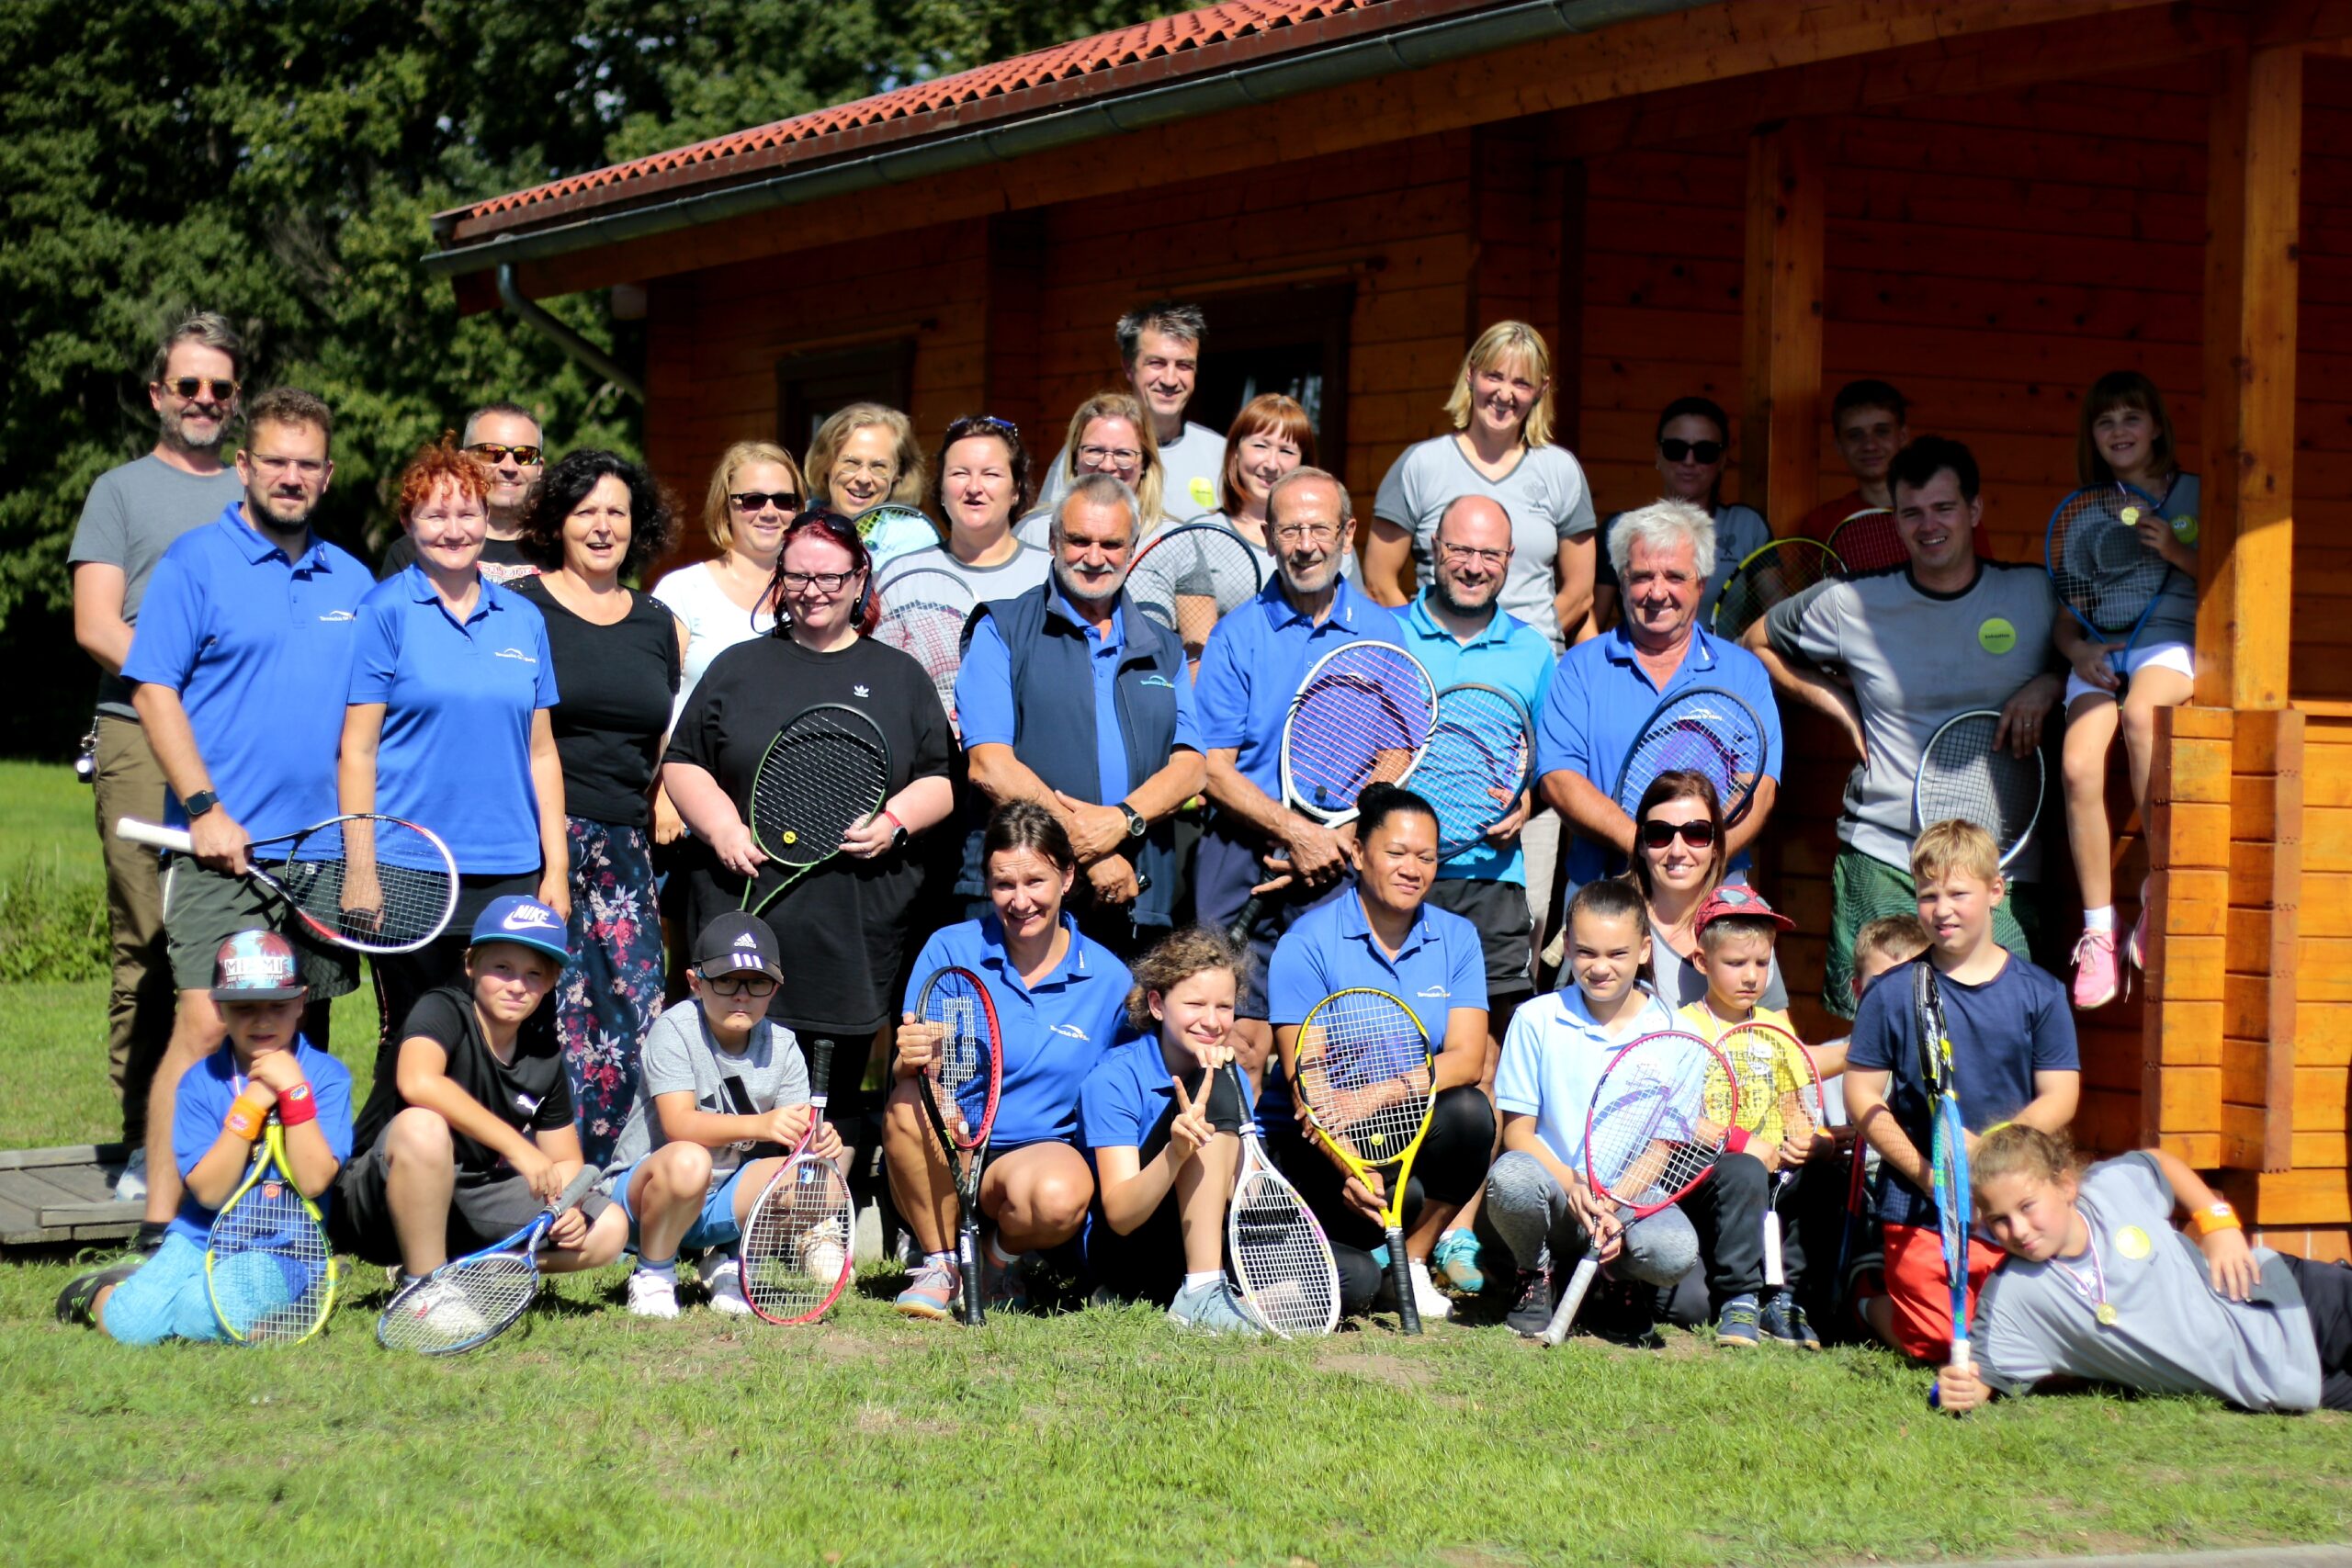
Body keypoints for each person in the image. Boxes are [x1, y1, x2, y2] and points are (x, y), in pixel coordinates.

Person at [119, 386, 367, 1248]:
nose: (291, 477)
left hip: (320, 857)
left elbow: (364, 724)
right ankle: (164, 1223)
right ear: (245, 465)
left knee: (301, 1043)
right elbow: (153, 691)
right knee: (200, 1027)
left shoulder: (352, 579)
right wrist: (204, 809)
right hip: (222, 850)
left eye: (307, 464)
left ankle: (281, 1217)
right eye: (276, 462)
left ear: (326, 474)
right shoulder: (195, 563)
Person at [1747, 436, 2064, 1016]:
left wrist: (2052, 684)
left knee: (2004, 1048)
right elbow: (1756, 641)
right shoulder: (1851, 603)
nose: (1928, 525)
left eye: (1943, 509)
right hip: (1884, 856)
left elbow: (2097, 660)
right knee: (1871, 1048)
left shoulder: (2033, 595)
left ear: (1974, 511)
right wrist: (1840, 704)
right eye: (1912, 513)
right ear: (1895, 521)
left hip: (2003, 871)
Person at [662, 507, 955, 1133]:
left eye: (829, 576)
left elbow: (939, 779)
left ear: (859, 579)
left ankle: (818, 1209)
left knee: (833, 1096)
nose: (812, 591)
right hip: (748, 911)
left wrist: (895, 819)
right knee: (736, 1080)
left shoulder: (899, 676)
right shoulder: (738, 667)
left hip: (851, 923)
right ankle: (729, 1205)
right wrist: (721, 827)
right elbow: (684, 761)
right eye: (796, 577)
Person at [69, 312, 247, 1204]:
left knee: (240, 944)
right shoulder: (121, 491)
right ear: (157, 395)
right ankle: (149, 1143)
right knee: (149, 941)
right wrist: (179, 680)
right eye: (188, 387)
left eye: (219, 388)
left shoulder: (258, 490)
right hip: (140, 730)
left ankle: (244, 1136)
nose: (204, 401)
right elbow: (97, 623)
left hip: (245, 738)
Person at [1365, 322, 1599, 974]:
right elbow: (1380, 574)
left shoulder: (1558, 472)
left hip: (1519, 714)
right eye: (1494, 374)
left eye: (1521, 381)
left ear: (1541, 391)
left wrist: (1509, 648)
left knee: (1515, 942)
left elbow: (1580, 587)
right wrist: (1426, 646)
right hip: (1429, 703)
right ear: (1470, 375)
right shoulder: (1422, 464)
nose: (1505, 391)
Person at [343, 436, 568, 1085]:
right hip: (411, 867)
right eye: (435, 515)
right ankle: (387, 1178)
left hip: (510, 870)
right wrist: (362, 867)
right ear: (410, 524)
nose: (454, 529)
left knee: (509, 1043)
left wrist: (555, 867)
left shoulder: (523, 619)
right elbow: (356, 749)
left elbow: (542, 752)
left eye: (467, 513)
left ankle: (494, 1180)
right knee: (416, 1043)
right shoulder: (384, 611)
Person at [1385, 494, 1555, 1292]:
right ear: (1433, 549)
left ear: (1510, 560)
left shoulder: (1531, 650)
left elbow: (1552, 763)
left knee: (1480, 1068)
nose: (1475, 565)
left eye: (1492, 555)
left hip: (1492, 886)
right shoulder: (1387, 633)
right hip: (1397, 876)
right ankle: (1377, 1221)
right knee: (1391, 1053)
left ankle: (1446, 1236)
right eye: (1461, 550)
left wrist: (1536, 799)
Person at [1843, 819, 2080, 1362]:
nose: (1942, 909)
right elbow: (1862, 1096)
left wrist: (1988, 1152)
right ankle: (1866, 1299)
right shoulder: (1890, 993)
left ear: (1996, 892)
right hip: (1920, 1200)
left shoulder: (2040, 993)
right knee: (1940, 1344)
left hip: (2012, 1200)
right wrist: (1930, 1176)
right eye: (1928, 895)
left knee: (2024, 1338)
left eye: (1958, 893)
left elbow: (2061, 1096)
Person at [1195, 468, 1408, 1073]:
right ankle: (1238, 1167)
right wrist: (1297, 832)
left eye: (1320, 527)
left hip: (1340, 860)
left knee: (1335, 1039)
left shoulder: (1382, 630)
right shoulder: (1236, 636)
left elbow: (1397, 751)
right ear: (1267, 536)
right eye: (1290, 529)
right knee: (1237, 1038)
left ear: (1348, 533)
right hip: (1241, 853)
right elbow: (1213, 768)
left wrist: (1337, 838)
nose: (1305, 544)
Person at [886, 805, 1134, 1318]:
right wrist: (917, 1070)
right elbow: (909, 1071)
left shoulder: (1110, 980)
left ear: (1067, 877)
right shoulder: (949, 948)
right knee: (907, 1100)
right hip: (951, 1144)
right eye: (1003, 885)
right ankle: (940, 1263)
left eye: (1035, 882)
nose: (1020, 901)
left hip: (1041, 1155)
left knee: (1059, 1194)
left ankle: (997, 1265)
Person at [1264, 785, 1494, 1323]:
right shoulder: (1307, 941)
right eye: (1396, 853)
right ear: (1361, 853)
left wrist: (1383, 1092)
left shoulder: (1458, 939)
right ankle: (1351, 1260)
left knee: (1469, 1113)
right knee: (1371, 1247)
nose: (1412, 868)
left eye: (1426, 857)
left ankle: (1410, 1262)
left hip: (1400, 1120)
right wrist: (1346, 1163)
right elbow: (1306, 1081)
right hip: (1317, 1142)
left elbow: (1467, 1058)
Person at [513, 451, 684, 1167]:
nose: (602, 526)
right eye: (585, 511)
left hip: (626, 843)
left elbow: (667, 725)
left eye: (616, 510)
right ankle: (530, 1166)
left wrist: (669, 787)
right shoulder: (520, 606)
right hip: (537, 834)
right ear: (557, 521)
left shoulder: (658, 622)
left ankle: (612, 1175)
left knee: (628, 1008)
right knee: (536, 1003)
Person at [55, 931, 354, 1343]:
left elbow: (314, 1181)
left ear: (302, 1001)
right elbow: (210, 1193)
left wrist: (294, 1093)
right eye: (244, 1008)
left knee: (198, 1313)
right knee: (131, 1325)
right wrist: (251, 1104)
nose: (263, 1020)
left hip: (284, 1247)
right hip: (200, 1236)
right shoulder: (200, 1081)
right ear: (218, 1007)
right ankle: (101, 1289)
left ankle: (305, 1292)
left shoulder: (326, 1077)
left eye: (278, 1006)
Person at [1935, 1125, 2352, 1416]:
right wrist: (1962, 1389)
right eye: (2000, 1220)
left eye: (2027, 1206)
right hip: (2285, 1379)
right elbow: (1983, 1374)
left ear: (2065, 1186)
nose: (2018, 1230)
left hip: (2290, 1295)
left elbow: (2157, 1161)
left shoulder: (2111, 1189)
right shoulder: (2014, 1296)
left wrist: (2218, 1220)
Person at [956, 474, 1203, 955]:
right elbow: (989, 765)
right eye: (1078, 540)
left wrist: (1123, 820)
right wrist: (1088, 845)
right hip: (1019, 895)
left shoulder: (1163, 646)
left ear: (1132, 547)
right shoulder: (1001, 628)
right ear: (1052, 541)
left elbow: (1190, 768)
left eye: (1111, 543)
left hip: (1135, 898)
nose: (1094, 557)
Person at [336, 897, 623, 1310]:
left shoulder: (543, 1055)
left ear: (552, 980)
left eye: (533, 974)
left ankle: (463, 1273)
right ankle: (423, 1295)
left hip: (466, 1196)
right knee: (423, 1125)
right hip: (377, 1196)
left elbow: (565, 1162)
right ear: (471, 964)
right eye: (501, 968)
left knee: (608, 1229)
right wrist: (516, 1145)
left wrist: (569, 1207)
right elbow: (417, 1081)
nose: (516, 985)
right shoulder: (442, 1009)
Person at [591, 912, 839, 1318]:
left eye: (756, 983)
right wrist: (760, 1125)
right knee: (691, 1160)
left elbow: (802, 1138)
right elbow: (679, 1124)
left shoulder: (784, 1045)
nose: (741, 995)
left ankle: (730, 1259)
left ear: (774, 989)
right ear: (695, 982)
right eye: (725, 980)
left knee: (820, 1180)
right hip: (646, 1196)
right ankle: (654, 1272)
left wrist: (818, 1141)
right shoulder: (674, 1029)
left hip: (719, 1198)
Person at [1536, 497, 1784, 898]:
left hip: (1717, 891)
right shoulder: (1580, 668)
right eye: (1641, 576)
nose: (1657, 592)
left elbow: (1759, 788)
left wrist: (1704, 857)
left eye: (1674, 576)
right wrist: (1646, 845)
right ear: (1620, 581)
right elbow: (1559, 781)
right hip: (1604, 893)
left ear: (1701, 584)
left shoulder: (1744, 672)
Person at [1484, 879, 1693, 1342]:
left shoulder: (1677, 1033)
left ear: (1643, 950)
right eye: (1586, 953)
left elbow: (1663, 1147)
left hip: (1629, 1201)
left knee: (1674, 1251)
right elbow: (1518, 1134)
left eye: (1617, 954)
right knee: (1511, 1177)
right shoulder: (1535, 1018)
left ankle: (1618, 1278)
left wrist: (1614, 1205)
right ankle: (1534, 1273)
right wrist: (1574, 1186)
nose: (1600, 968)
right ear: (1568, 945)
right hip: (1557, 1193)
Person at [2054, 372, 2200, 1010]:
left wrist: (2178, 549)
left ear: (2158, 426)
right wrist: (2080, 651)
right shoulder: (2087, 512)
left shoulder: (2198, 492)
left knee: (2144, 714)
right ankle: (2098, 931)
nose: (2119, 431)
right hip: (2102, 650)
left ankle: (2158, 892)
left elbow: (2233, 569)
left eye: (2131, 418)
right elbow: (2068, 614)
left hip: (2170, 642)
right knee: (2079, 763)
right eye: (2105, 421)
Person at [1079, 927, 1261, 1333]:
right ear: (1157, 1005)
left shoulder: (1233, 1074)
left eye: (1225, 1007)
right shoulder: (1112, 1078)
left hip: (1206, 1234)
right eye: (1195, 1004)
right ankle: (1200, 1292)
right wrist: (1176, 1152)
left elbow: (1243, 1192)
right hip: (1129, 1247)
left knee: (1357, 1277)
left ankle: (1217, 1290)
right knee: (1212, 1085)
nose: (1212, 1022)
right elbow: (1122, 1216)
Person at [1672, 886, 1820, 1348]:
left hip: (1770, 1170)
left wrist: (1812, 1143)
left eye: (1762, 963)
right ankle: (1741, 1297)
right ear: (1702, 962)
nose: (1752, 977)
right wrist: (1741, 1143)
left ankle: (1785, 1297)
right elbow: (1675, 1119)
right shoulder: (1683, 1026)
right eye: (1736, 964)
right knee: (1744, 1170)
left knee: (1812, 1179)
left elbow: (1795, 1106)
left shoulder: (1777, 1025)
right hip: (1710, 1169)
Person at [1592, 396, 1772, 633]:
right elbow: (1592, 623)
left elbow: (1776, 609)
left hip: (1725, 666)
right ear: (1658, 453)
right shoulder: (1621, 528)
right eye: (1675, 449)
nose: (1689, 461)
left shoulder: (1747, 525)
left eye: (1705, 452)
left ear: (1722, 460)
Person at [1035, 301, 1224, 522]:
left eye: (1184, 365)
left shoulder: (1221, 454)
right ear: (1128, 366)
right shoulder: (1089, 456)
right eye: (1156, 363)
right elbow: (1044, 534)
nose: (1170, 380)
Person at [1628, 772, 1788, 1014]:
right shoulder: (1614, 920)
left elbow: (1783, 1041)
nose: (1678, 851)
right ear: (1641, 844)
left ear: (1716, 846)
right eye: (1660, 834)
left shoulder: (1742, 922)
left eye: (1696, 833)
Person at [887, 413, 1052, 604]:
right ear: (941, 489)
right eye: (960, 473)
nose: (974, 488)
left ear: (1016, 490)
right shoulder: (900, 577)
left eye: (991, 474)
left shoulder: (1051, 576)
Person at [377, 402, 547, 584]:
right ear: (464, 461)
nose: (509, 467)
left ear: (539, 468)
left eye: (525, 456)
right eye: (491, 453)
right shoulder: (416, 551)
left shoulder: (561, 552)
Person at [1015, 390, 1169, 548]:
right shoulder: (1034, 534)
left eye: (1123, 453)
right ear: (1075, 458)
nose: (1107, 466)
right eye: (1094, 451)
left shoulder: (1168, 540)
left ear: (1145, 463)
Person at [802, 402, 936, 569]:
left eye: (879, 466)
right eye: (851, 462)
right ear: (825, 463)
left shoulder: (917, 541)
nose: (864, 478)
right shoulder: (794, 524)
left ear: (897, 473)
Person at [1197, 392, 1312, 571]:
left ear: (1303, 463)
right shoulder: (1200, 536)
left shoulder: (1326, 541)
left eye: (1287, 451)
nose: (1272, 465)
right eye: (1260, 446)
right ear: (1236, 451)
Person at [1787, 380, 1911, 544]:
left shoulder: (1935, 513)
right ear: (1839, 446)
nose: (1869, 445)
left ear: (1902, 436)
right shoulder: (1821, 524)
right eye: (1855, 435)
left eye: (1881, 431)